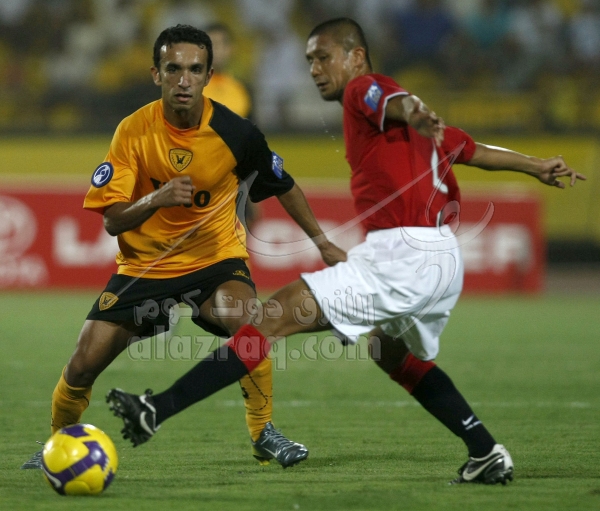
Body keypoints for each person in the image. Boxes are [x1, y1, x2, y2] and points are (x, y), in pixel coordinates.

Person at [106, 18, 586, 484]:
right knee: (388, 351)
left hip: (403, 255)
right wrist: (536, 165)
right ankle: (484, 451)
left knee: (267, 321)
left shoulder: (363, 89)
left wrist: (410, 110)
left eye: (323, 57)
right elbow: (472, 149)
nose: (315, 69)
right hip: (443, 259)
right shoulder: (412, 126)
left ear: (355, 57)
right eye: (309, 61)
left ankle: (156, 409)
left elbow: (388, 99)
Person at [21, 24, 346, 471]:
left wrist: (323, 243)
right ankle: (57, 447)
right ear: (156, 74)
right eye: (173, 69)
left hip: (215, 261)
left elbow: (284, 185)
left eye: (195, 69)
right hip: (144, 268)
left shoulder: (237, 133)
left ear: (210, 75)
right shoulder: (132, 131)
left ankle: (263, 433)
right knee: (81, 365)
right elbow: (112, 220)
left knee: (249, 324)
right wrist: (156, 198)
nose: (184, 80)